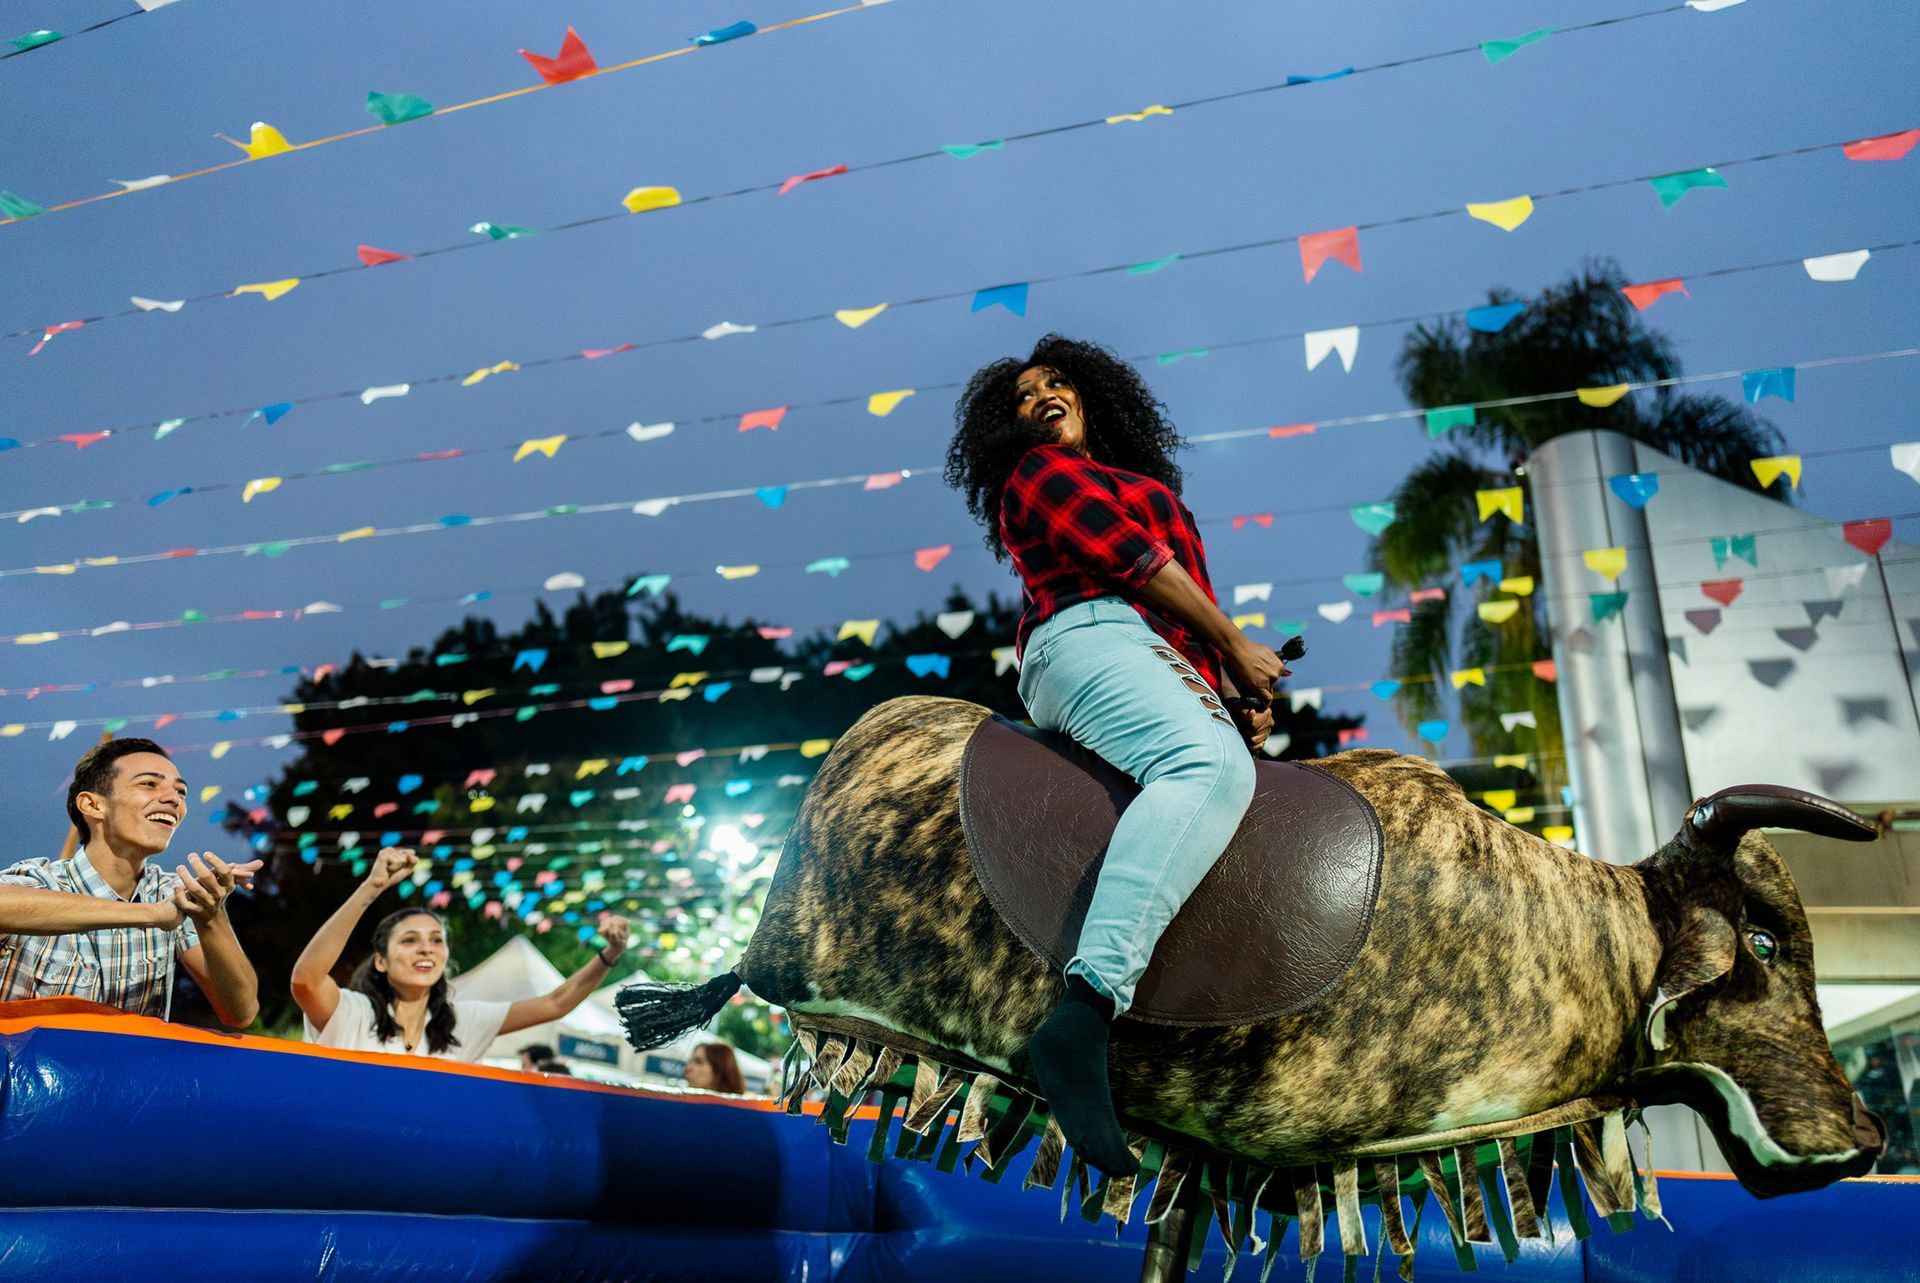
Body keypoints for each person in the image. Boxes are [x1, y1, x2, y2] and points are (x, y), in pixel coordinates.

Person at [946, 335, 1290, 1175]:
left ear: (1095, 395)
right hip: (1089, 632)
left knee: (1230, 776)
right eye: (1022, 396)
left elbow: (1178, 611)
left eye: (1057, 383)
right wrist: (1237, 643)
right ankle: (1083, 1012)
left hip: (1149, 651)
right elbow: (1135, 564)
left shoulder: (1145, 485)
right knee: (1204, 771)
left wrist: (1233, 696)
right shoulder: (1041, 473)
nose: (1040, 398)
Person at [0, 738, 261, 1026]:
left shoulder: (174, 892)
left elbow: (241, 1012)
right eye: (149, 784)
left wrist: (212, 914)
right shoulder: (42, 880)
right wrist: (152, 914)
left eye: (181, 791)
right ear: (92, 805)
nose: (174, 799)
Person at [290, 846, 632, 1062]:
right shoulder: (352, 1012)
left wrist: (610, 954)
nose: (426, 947)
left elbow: (557, 1002)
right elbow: (306, 981)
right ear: (380, 960)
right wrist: (371, 888)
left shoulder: (463, 1023)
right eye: (409, 940)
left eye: (437, 940)